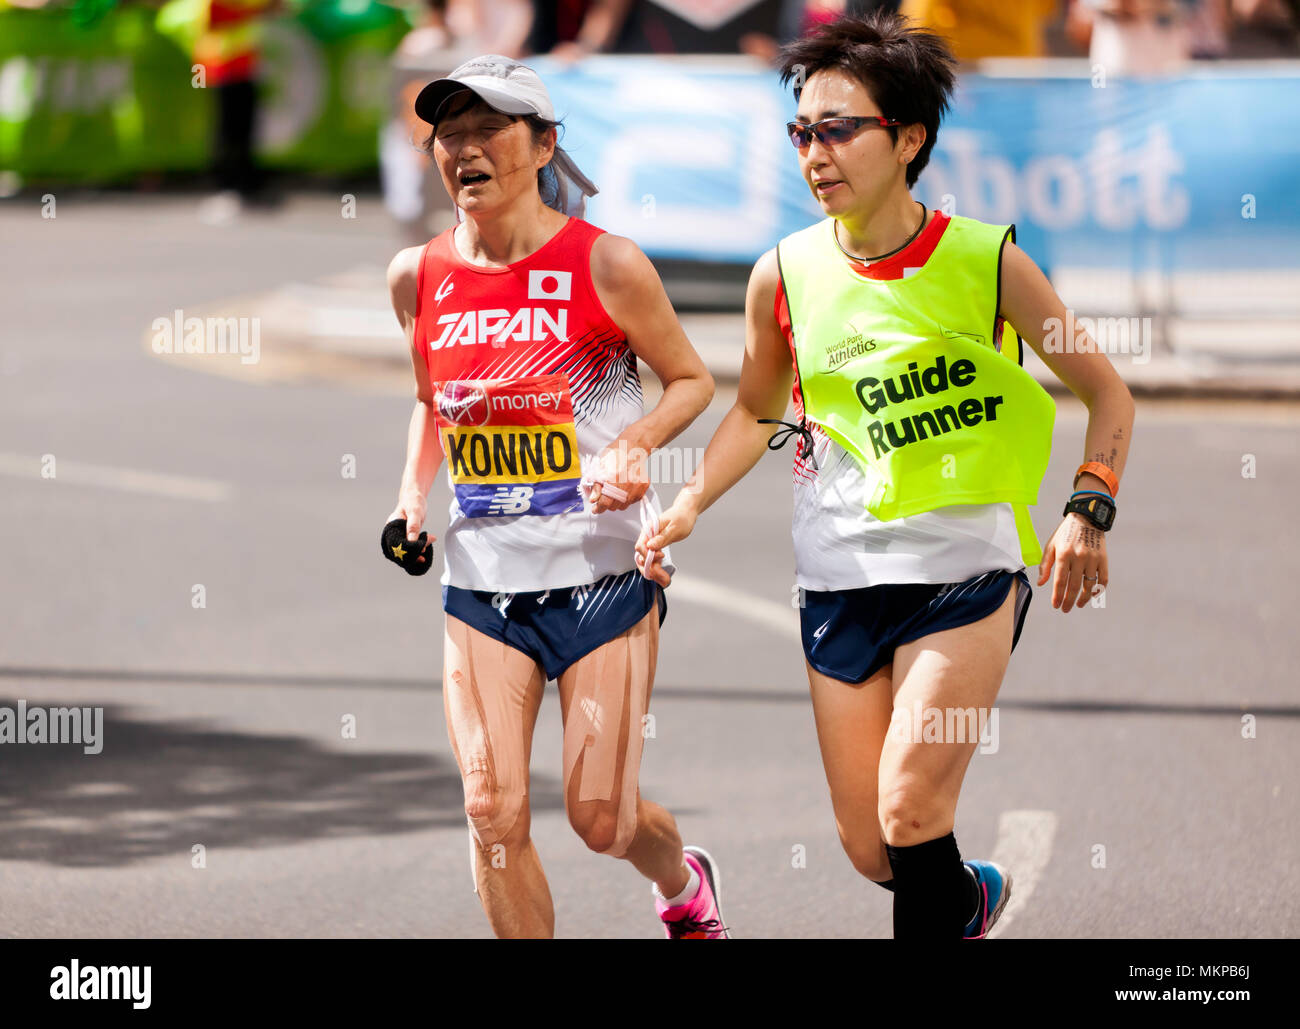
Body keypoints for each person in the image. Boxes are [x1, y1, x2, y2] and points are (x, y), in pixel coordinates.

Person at [638, 10, 1135, 939]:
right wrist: (689, 499)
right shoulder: (781, 274)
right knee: (876, 850)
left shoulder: (990, 262)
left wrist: (1088, 505)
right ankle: (969, 895)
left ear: (908, 139)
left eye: (838, 129)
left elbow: (1108, 394)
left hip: (964, 575)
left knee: (910, 809)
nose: (814, 154)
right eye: (800, 133)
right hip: (838, 581)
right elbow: (757, 408)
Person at [382, 54, 727, 939]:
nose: (464, 150)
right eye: (447, 134)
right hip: (482, 583)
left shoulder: (605, 263)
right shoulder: (416, 275)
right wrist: (409, 502)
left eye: (488, 129)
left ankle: (683, 882)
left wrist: (640, 443)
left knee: (601, 818)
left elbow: (690, 379)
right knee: (491, 809)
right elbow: (434, 401)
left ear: (543, 146)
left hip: (603, 574)